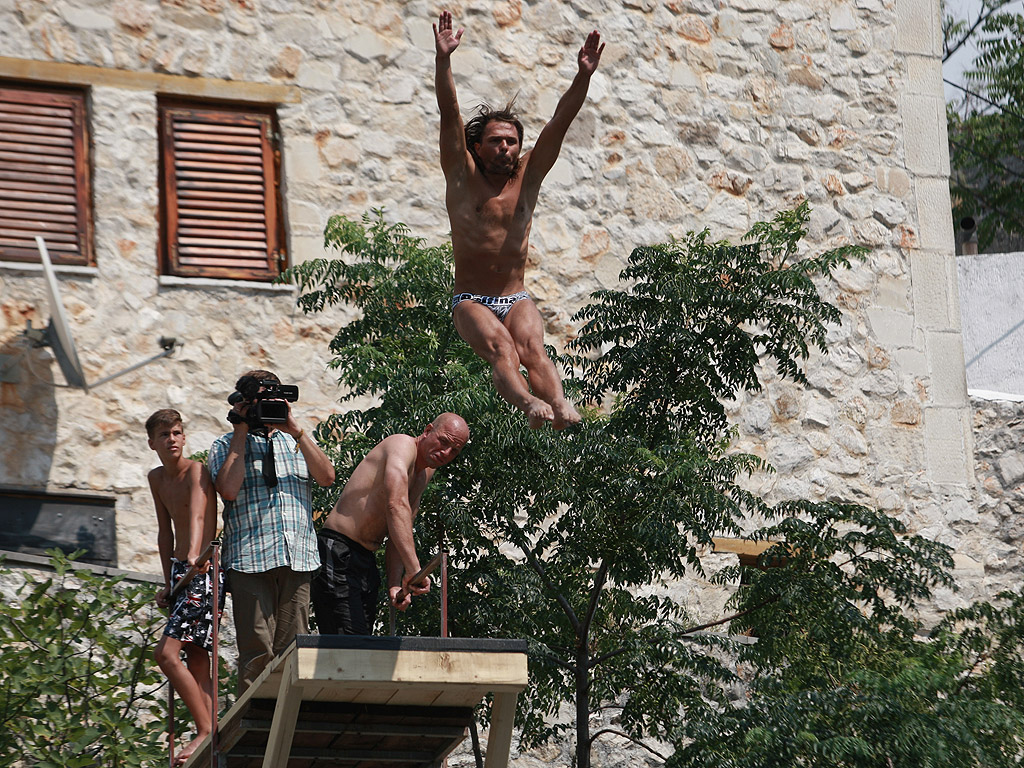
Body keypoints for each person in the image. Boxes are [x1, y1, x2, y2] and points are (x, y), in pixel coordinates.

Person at [433, 10, 604, 430]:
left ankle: (561, 406)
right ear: (477, 146)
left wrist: (582, 75)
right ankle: (528, 404)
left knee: (534, 350)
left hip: (515, 295)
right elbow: (449, 110)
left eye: (512, 142)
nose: (506, 149)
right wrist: (443, 60)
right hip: (471, 300)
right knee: (503, 351)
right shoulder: (462, 174)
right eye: (496, 142)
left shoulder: (528, 176)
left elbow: (560, 121)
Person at [207, 370, 336, 692]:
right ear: (244, 403)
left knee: (295, 651)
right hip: (249, 559)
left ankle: (289, 724)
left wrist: (296, 430)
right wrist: (240, 431)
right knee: (256, 653)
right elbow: (229, 490)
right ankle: (255, 727)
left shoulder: (295, 442)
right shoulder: (225, 444)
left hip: (298, 557)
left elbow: (327, 477)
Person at [311, 413, 470, 635]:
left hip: (365, 560)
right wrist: (415, 568)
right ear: (427, 430)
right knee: (348, 644)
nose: (446, 453)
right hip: (338, 552)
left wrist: (395, 583)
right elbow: (396, 505)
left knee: (362, 643)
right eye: (443, 441)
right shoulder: (402, 445)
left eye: (454, 450)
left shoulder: (424, 474)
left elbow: (401, 527)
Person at [146, 408, 220, 766]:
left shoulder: (197, 470)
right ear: (152, 443)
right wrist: (167, 583)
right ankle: (210, 728)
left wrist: (193, 555)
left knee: (166, 654)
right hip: (180, 572)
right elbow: (164, 532)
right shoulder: (156, 478)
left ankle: (206, 728)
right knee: (197, 658)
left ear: (184, 437)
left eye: (176, 432)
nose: (171, 439)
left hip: (203, 569)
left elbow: (199, 515)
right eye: (164, 435)